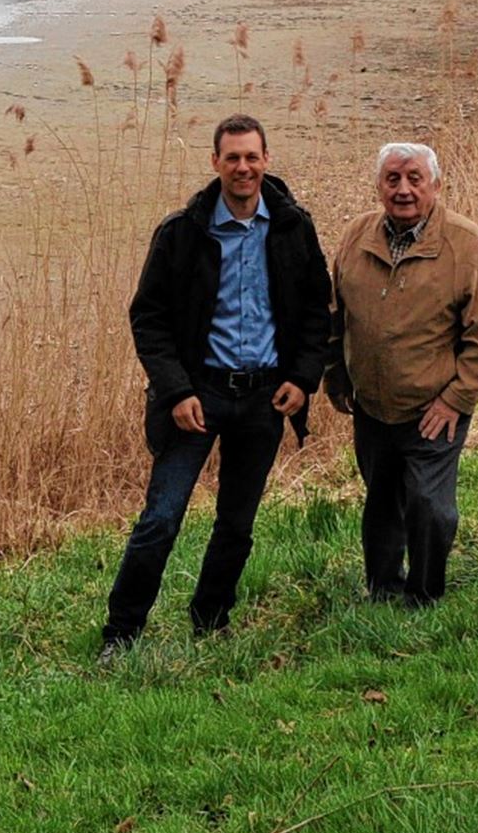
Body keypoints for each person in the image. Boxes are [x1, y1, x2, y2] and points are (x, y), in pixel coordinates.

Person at [101, 114, 331, 654]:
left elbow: (317, 312)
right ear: (215, 163)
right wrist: (177, 390)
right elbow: (149, 318)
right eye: (232, 158)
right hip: (198, 396)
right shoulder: (183, 232)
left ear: (266, 160)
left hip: (263, 397)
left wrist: (302, 379)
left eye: (252, 157)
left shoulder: (294, 227)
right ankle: (122, 633)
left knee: (237, 522)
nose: (243, 167)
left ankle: (210, 620)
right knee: (161, 517)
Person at [326, 142, 478, 606]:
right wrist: (337, 375)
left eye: (414, 179)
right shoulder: (355, 236)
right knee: (382, 499)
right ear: (378, 186)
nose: (403, 190)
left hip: (434, 408)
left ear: (436, 186)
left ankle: (424, 596)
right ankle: (382, 590)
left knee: (429, 506)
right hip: (372, 404)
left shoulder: (468, 246)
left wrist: (456, 400)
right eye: (392, 179)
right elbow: (335, 313)